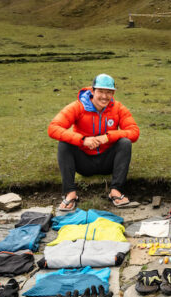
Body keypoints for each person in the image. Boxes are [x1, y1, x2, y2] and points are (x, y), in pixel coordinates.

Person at [48, 73, 140, 211]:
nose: (104, 96)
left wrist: (108, 137)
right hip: (84, 162)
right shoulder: (78, 106)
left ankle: (116, 191)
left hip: (108, 162)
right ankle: (70, 194)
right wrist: (82, 140)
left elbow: (134, 132)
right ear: (92, 91)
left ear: (113, 93)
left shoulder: (118, 108)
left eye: (108, 92)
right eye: (101, 91)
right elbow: (53, 128)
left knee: (125, 143)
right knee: (64, 144)